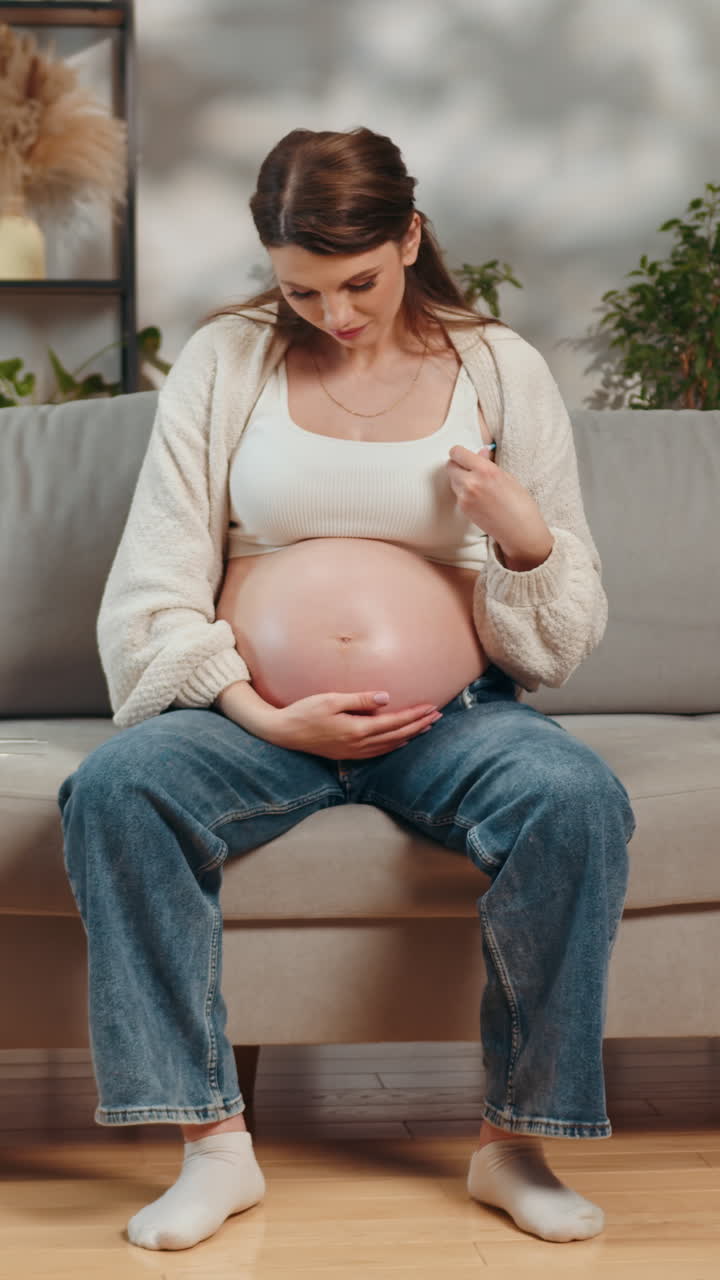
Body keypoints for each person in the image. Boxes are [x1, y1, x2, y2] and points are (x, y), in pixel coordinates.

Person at [57, 126, 637, 1252]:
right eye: (301, 288)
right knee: (115, 790)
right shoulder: (229, 360)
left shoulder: (497, 366)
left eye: (358, 282)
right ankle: (212, 1143)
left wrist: (523, 539)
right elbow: (153, 583)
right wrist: (257, 704)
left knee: (576, 799)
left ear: (410, 237)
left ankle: (514, 1141)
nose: (334, 313)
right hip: (256, 717)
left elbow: (564, 635)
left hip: (452, 721)